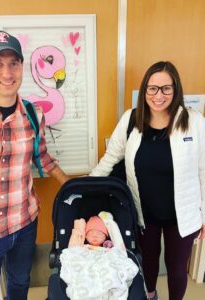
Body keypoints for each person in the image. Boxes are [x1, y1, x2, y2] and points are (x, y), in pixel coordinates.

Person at [0, 30, 69, 300]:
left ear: (22, 66)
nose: (7, 73)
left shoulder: (33, 114)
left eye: (13, 63)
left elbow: (43, 158)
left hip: (24, 225)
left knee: (20, 286)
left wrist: (72, 186)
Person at [90, 61, 205, 300]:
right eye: (152, 88)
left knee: (176, 269)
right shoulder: (131, 120)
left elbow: (203, 169)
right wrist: (87, 187)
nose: (158, 95)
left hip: (182, 216)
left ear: (176, 90)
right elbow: (111, 158)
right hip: (144, 213)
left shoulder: (194, 122)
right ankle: (150, 295)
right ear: (145, 91)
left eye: (166, 88)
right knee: (148, 263)